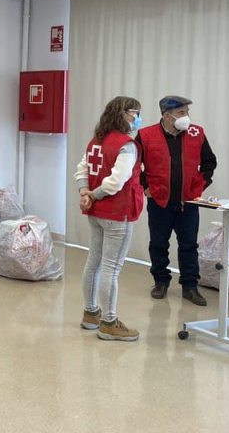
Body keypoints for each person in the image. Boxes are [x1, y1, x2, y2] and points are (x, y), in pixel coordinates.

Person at [136, 95, 218, 306]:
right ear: (166, 115)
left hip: (188, 202)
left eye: (187, 112)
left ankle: (190, 286)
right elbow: (134, 164)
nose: (186, 116)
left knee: (189, 244)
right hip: (159, 201)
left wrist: (198, 187)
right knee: (158, 243)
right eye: (181, 113)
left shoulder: (196, 133)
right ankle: (160, 282)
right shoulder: (146, 135)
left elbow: (209, 162)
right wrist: (145, 186)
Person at [75, 97, 145, 342]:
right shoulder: (127, 145)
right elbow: (117, 181)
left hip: (96, 212)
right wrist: (92, 194)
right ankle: (109, 322)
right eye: (135, 113)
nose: (137, 118)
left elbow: (82, 169)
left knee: (93, 262)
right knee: (110, 268)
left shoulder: (97, 139)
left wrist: (85, 193)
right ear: (124, 114)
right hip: (117, 211)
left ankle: (91, 313)